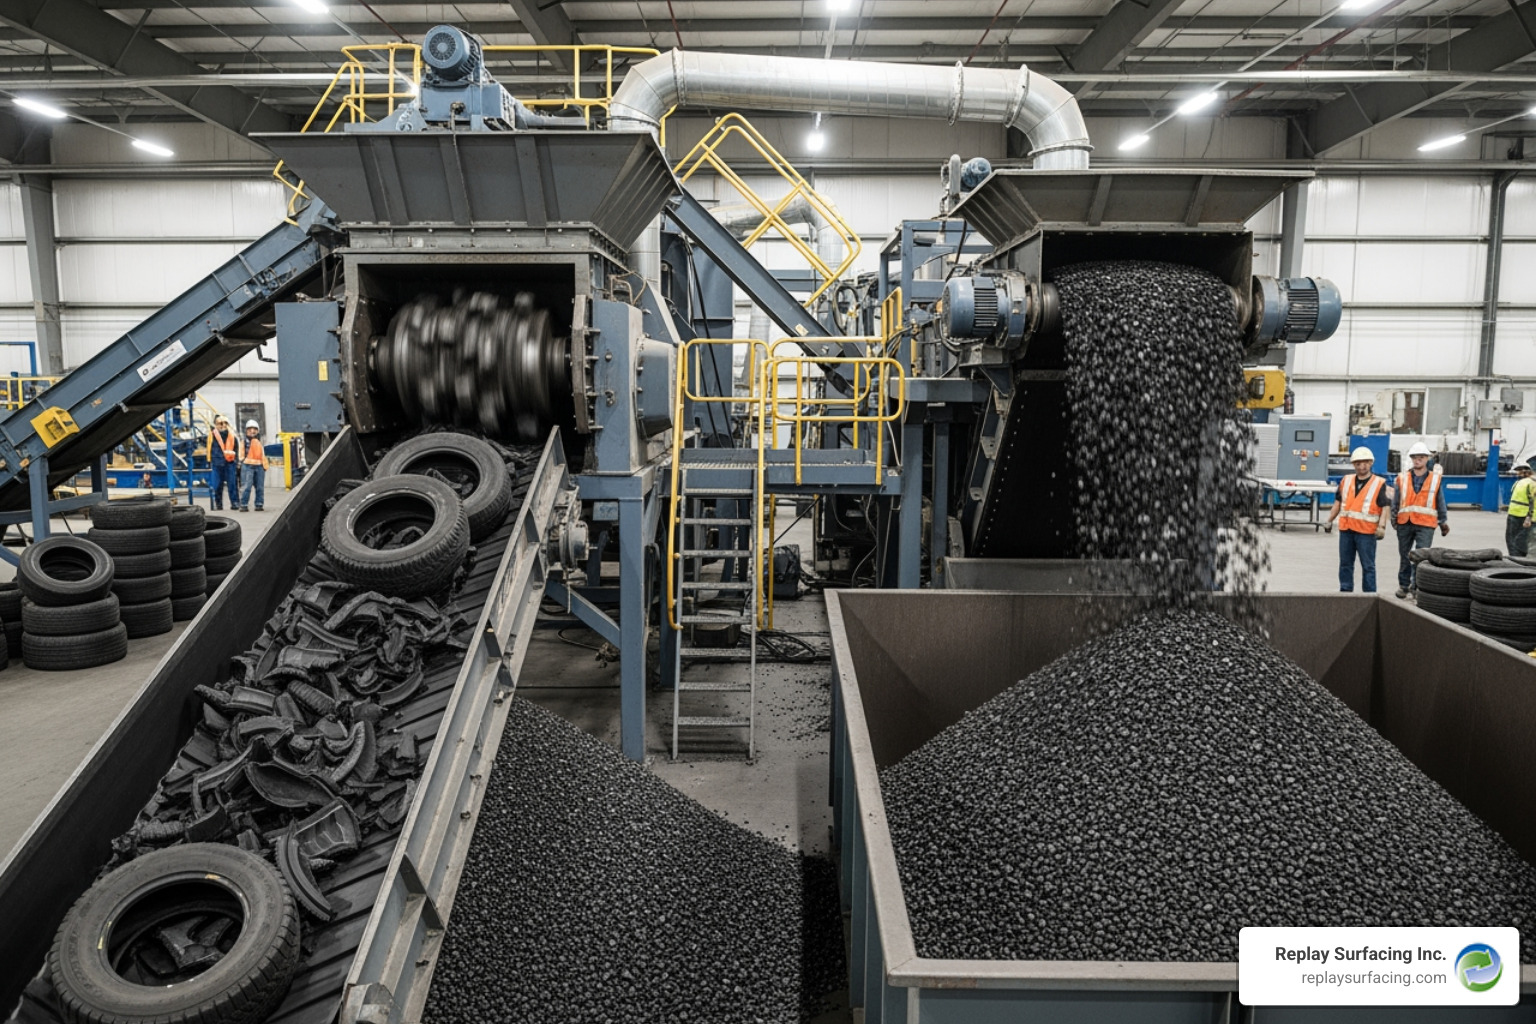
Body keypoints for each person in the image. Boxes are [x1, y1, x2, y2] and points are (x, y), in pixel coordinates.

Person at [1325, 446, 1391, 593]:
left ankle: (1369, 595)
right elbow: (1338, 503)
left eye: (1366, 462)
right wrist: (1329, 520)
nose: (1363, 466)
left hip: (1366, 532)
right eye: (1359, 463)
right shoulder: (1346, 481)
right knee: (1345, 564)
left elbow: (1385, 506)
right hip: (1346, 530)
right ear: (1354, 464)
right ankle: (1345, 592)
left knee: (1368, 566)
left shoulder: (1379, 483)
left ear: (1371, 463)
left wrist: (1382, 527)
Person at [1392, 441, 1449, 598]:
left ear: (1426, 459)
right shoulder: (1402, 478)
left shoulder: (1435, 479)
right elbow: (1396, 500)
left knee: (1421, 557)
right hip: (1405, 522)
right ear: (1411, 459)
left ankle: (1417, 588)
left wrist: (1443, 521)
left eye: (1421, 457)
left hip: (1426, 524)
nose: (1418, 460)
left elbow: (1440, 500)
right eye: (1415, 457)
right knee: (1405, 556)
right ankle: (1404, 585)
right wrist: (1393, 517)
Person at [205, 415, 240, 511]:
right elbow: (209, 448)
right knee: (217, 485)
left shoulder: (232, 435)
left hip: (230, 463)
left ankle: (235, 503)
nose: (223, 425)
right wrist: (209, 461)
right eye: (220, 423)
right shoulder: (212, 435)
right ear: (216, 425)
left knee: (232, 484)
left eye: (225, 423)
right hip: (217, 463)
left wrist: (237, 462)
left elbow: (236, 448)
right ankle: (218, 504)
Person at [239, 419, 267, 512]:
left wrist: (264, 465)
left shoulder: (259, 442)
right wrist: (242, 461)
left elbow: (262, 454)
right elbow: (241, 454)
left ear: (257, 430)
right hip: (247, 466)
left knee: (260, 487)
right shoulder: (244, 442)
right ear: (246, 430)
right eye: (250, 429)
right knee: (246, 486)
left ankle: (259, 504)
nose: (252, 431)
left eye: (254, 429)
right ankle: (244, 504)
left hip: (259, 466)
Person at [1509, 462, 1535, 558]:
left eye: (1519, 471)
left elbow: (1533, 501)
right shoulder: (1519, 483)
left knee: (1518, 542)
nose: (1517, 474)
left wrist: (1529, 517)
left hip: (1523, 517)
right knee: (1513, 540)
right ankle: (1515, 559)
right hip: (1514, 515)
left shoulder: (1531, 483)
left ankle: (1517, 561)